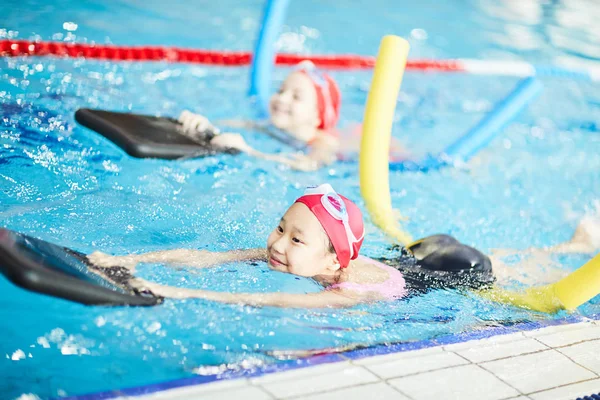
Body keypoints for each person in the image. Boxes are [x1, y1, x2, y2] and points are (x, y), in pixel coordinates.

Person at [87, 184, 600, 308]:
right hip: (419, 250)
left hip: (455, 267)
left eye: (296, 238)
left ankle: (570, 245)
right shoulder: (294, 255)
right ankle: (571, 242)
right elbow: (208, 258)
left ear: (335, 260)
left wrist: (172, 292)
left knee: (512, 275)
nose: (278, 243)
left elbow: (269, 300)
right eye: (280, 228)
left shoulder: (345, 287)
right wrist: (131, 260)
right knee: (508, 257)